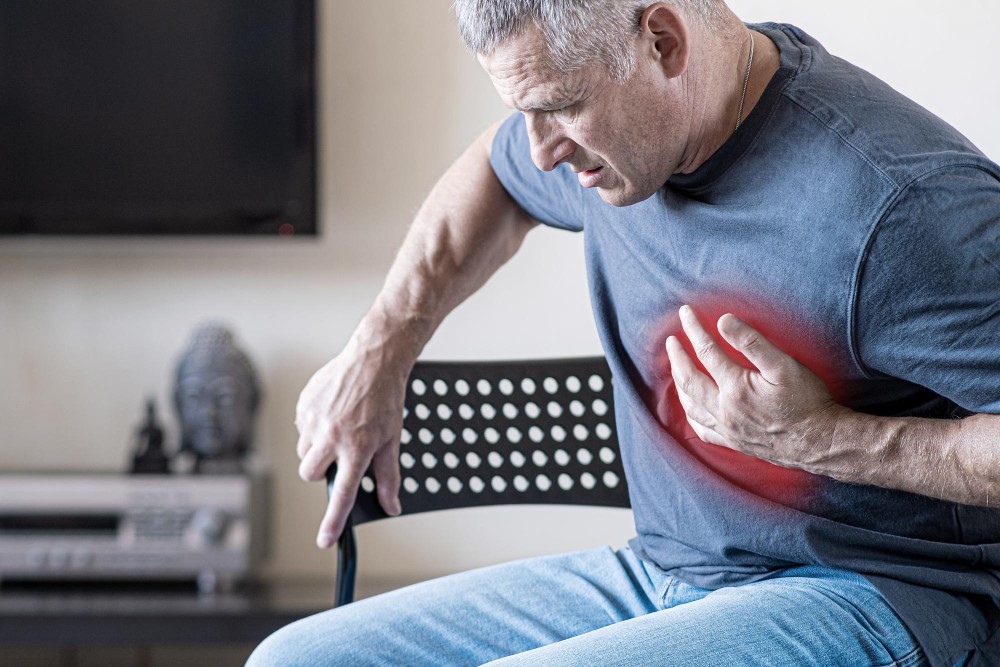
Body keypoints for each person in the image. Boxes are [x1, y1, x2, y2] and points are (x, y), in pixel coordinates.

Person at [249, 1, 1000, 665]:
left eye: (559, 106)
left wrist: (825, 437)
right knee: (294, 658)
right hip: (667, 573)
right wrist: (380, 350)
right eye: (524, 110)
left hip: (883, 593)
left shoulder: (901, 201)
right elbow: (494, 175)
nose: (540, 148)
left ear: (664, 42)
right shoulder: (615, 147)